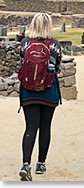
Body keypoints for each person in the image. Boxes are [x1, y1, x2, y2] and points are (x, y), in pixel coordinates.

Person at [18, 13, 62, 181]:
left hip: (28, 91)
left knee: (30, 127)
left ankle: (25, 164)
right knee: (45, 127)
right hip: (49, 91)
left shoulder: (25, 44)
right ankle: (41, 163)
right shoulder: (55, 46)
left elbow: (22, 62)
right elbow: (57, 67)